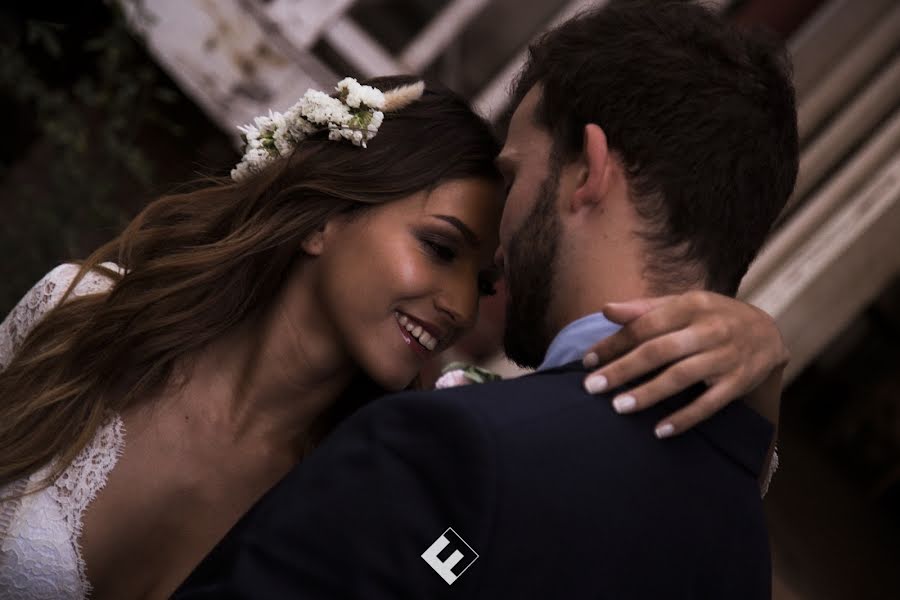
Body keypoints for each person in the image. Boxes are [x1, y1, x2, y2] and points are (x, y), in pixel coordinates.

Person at [0, 70, 783, 600]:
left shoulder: (391, 466)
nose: (455, 305)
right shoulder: (78, 312)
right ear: (326, 216)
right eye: (439, 248)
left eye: (482, 284)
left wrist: (761, 364)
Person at [172, 1, 798, 598]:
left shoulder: (457, 448)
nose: (499, 245)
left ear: (589, 171)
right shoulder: (741, 542)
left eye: (514, 175)